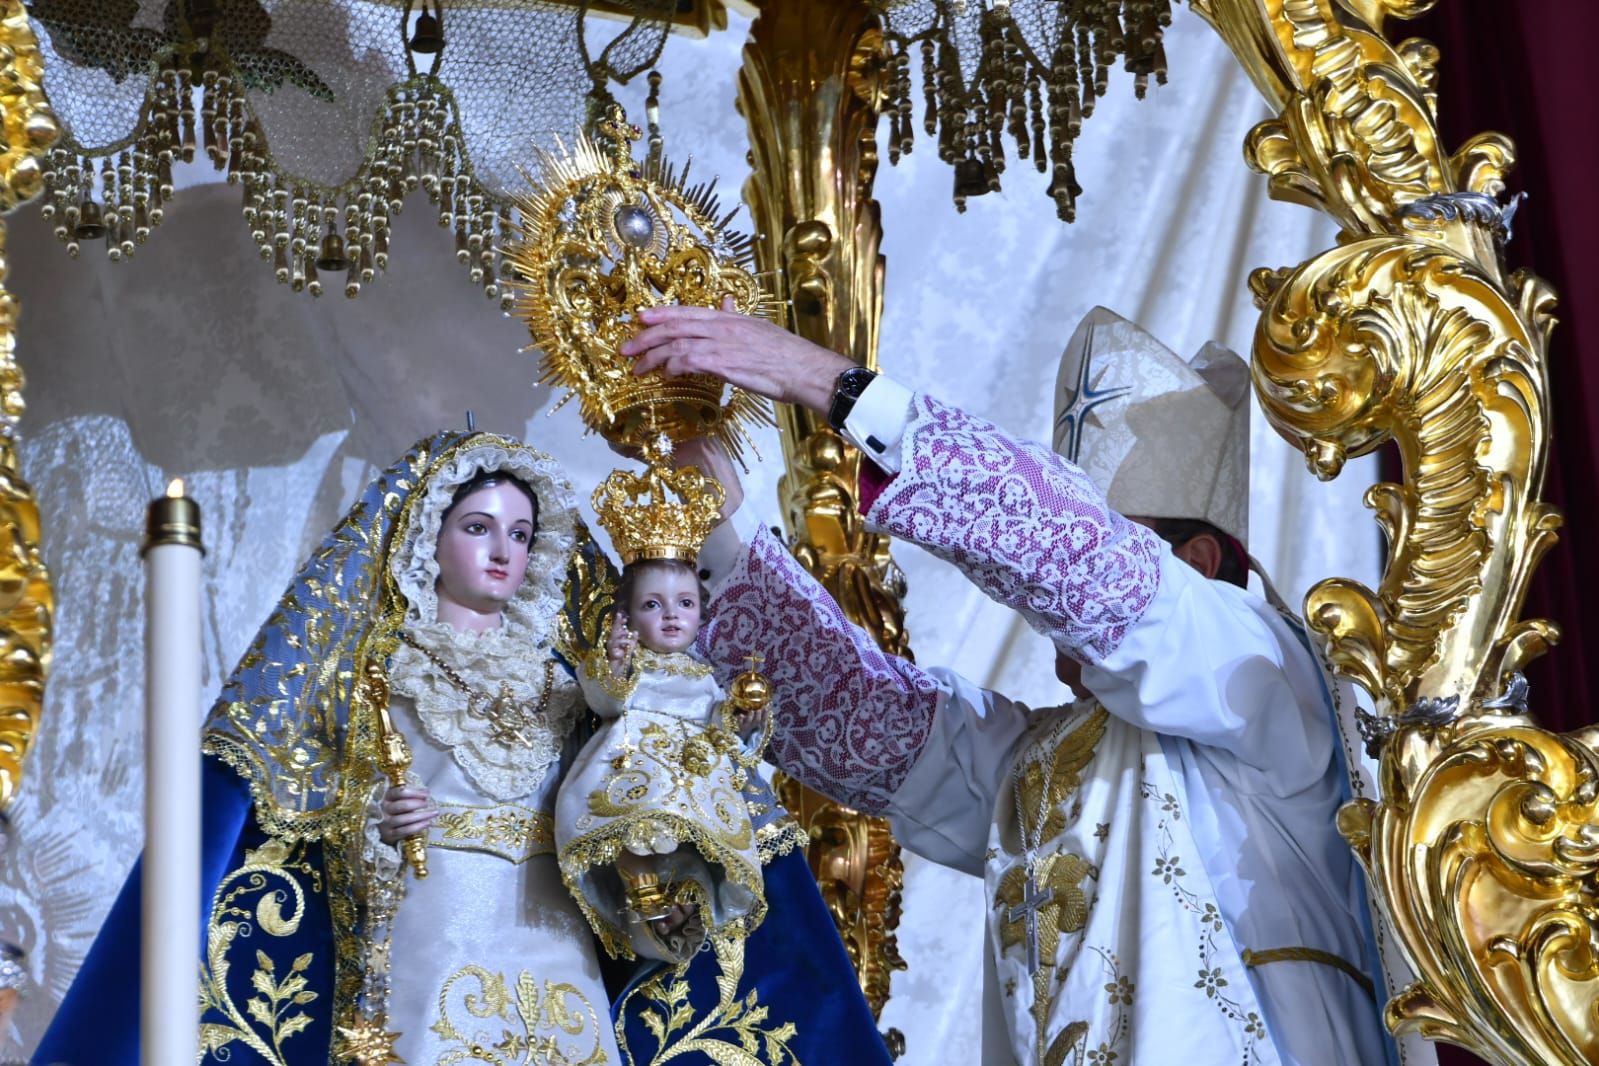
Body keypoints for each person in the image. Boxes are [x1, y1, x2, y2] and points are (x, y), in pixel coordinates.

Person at [620, 303, 1427, 1065]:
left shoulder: (1265, 668)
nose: (1044, 597)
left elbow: (1083, 562)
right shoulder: (1047, 769)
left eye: (1114, 530)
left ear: (1197, 563)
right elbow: (857, 719)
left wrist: (826, 382)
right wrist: (711, 530)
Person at [38, 432, 621, 1064]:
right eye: (479, 528)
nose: (503, 551)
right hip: (438, 916)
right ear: (430, 535)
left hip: (552, 928)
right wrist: (379, 819)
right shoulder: (381, 668)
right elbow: (326, 799)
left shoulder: (569, 684)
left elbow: (601, 801)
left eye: (521, 535)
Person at [557, 558, 769, 963]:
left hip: (694, 776)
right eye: (652, 605)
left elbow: (721, 733)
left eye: (685, 603)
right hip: (634, 762)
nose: (671, 615)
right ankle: (636, 875)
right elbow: (606, 702)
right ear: (628, 618)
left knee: (690, 837)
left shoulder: (704, 678)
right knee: (636, 814)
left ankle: (679, 893)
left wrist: (742, 723)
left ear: (701, 615)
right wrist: (614, 665)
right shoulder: (632, 667)